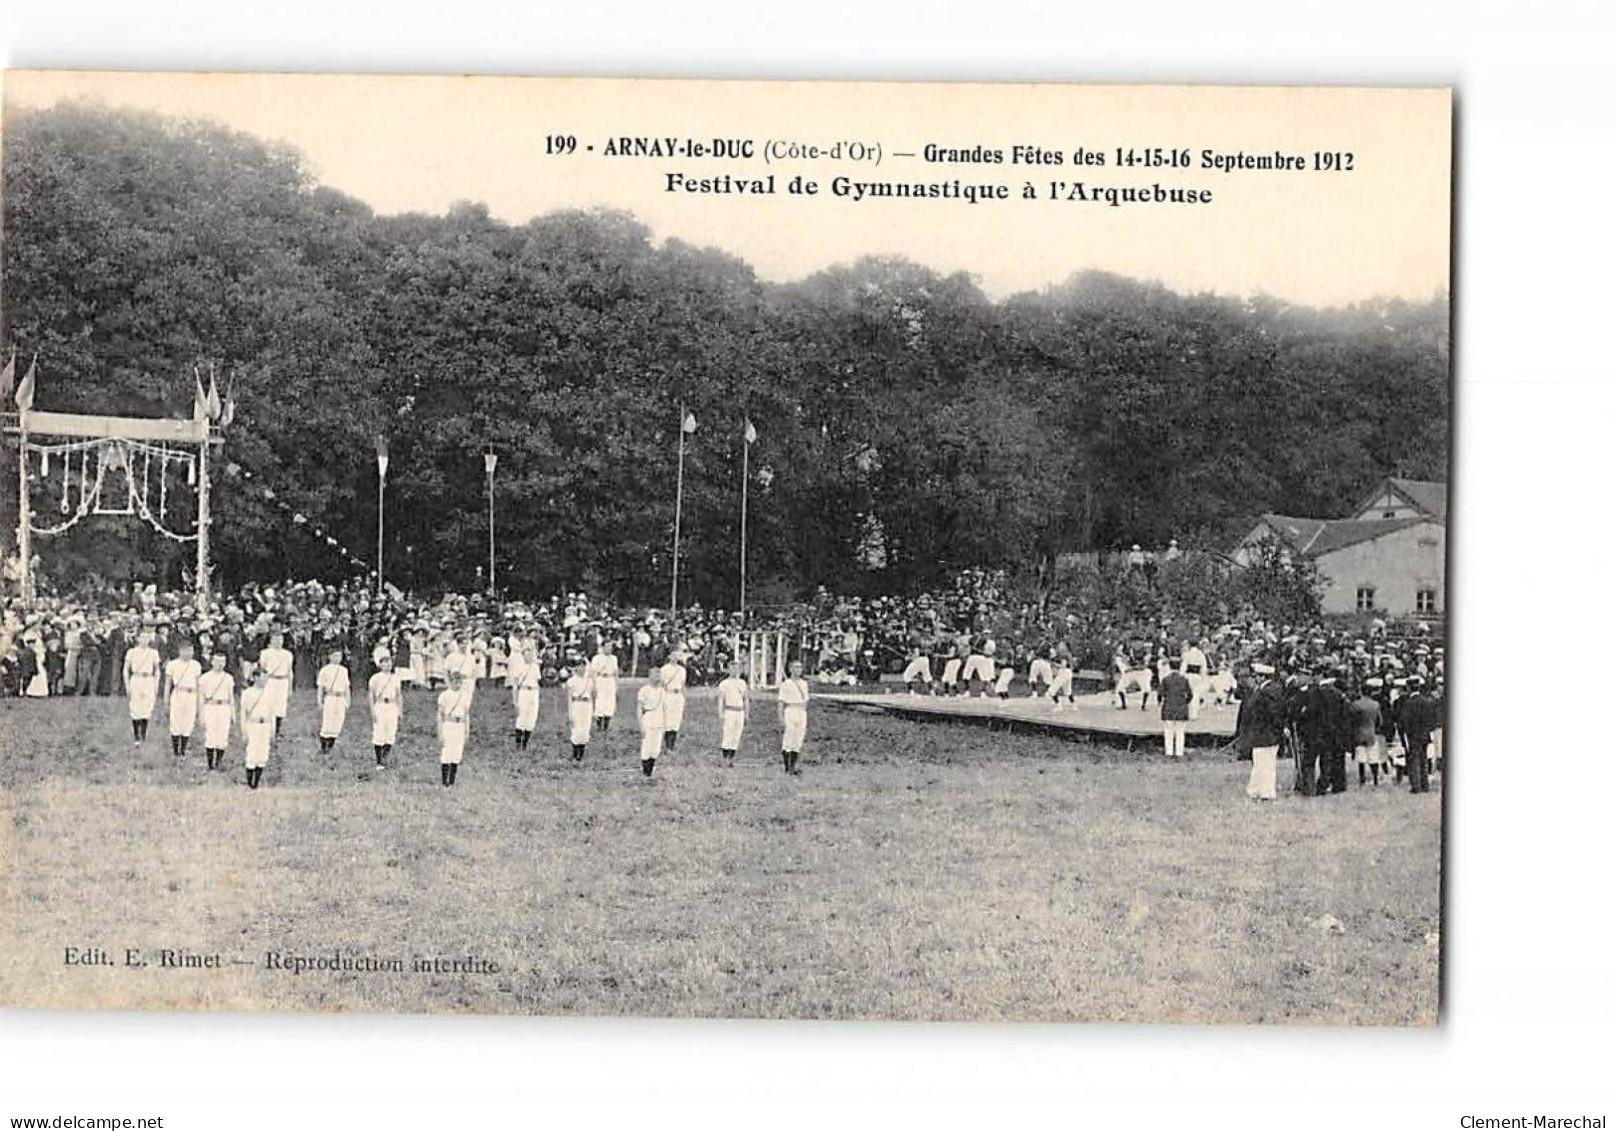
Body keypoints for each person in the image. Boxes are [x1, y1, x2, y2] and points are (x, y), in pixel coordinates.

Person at [1240, 661, 1285, 801]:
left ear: (1262, 677)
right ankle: (1258, 790)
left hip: (1264, 733)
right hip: (1268, 734)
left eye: (1257, 676)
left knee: (1263, 764)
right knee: (1265, 764)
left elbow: (1271, 714)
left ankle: (1264, 791)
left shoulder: (1265, 693)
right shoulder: (1274, 690)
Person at [1399, 676, 1441, 794]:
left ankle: (1416, 785)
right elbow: (1433, 720)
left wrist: (1404, 733)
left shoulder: (1408, 703)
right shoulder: (1427, 702)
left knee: (1414, 761)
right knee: (1423, 760)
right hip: (1425, 734)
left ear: (1408, 688)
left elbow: (1404, 721)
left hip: (1413, 735)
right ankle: (1425, 784)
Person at [239, 662, 276, 790]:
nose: (265, 680)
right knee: (252, 752)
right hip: (253, 724)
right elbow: (243, 713)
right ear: (255, 678)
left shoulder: (270, 693)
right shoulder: (248, 693)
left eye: (266, 677)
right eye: (262, 677)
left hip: (265, 724)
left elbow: (273, 713)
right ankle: (250, 782)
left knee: (263, 752)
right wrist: (244, 731)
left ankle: (257, 782)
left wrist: (273, 730)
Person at [164, 638, 202, 758]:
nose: (189, 653)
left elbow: (198, 684)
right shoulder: (172, 664)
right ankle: (176, 750)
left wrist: (199, 702)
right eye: (187, 650)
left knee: (188, 721)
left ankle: (183, 750)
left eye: (191, 651)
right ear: (180, 651)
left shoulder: (196, 665)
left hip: (191, 694)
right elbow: (168, 683)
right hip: (178, 693)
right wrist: (166, 701)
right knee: (176, 721)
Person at [436, 667, 474, 787]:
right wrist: (440, 731)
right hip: (448, 724)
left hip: (460, 725)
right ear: (450, 681)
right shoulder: (445, 695)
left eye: (459, 682)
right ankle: (444, 781)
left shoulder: (465, 696)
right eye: (455, 681)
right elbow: (440, 714)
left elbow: (466, 714)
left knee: (457, 752)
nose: (457, 684)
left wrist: (467, 730)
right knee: (447, 751)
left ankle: (452, 781)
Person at [123, 629, 162, 744]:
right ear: (138, 639)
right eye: (142, 637)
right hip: (136, 678)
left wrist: (156, 684)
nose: (145, 640)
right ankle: (136, 736)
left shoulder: (153, 653)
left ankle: (143, 734)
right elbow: (125, 669)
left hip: (148, 679)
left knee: (147, 706)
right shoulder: (132, 652)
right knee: (135, 706)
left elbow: (157, 670)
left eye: (147, 637)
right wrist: (127, 685)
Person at [198, 652, 235, 771]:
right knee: (210, 734)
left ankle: (218, 762)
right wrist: (201, 715)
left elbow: (231, 698)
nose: (220, 664)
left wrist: (233, 714)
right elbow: (201, 698)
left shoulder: (229, 678)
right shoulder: (205, 678)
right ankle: (210, 764)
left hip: (224, 707)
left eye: (222, 661)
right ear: (212, 662)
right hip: (210, 707)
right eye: (217, 661)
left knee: (222, 735)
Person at [368, 647, 403, 769]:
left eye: (389, 662)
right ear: (380, 664)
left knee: (391, 731)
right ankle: (379, 761)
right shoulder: (375, 678)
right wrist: (372, 710)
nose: (387, 665)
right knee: (379, 731)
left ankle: (385, 757)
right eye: (384, 662)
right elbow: (371, 695)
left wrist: (400, 710)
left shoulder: (395, 678)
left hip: (392, 706)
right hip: (380, 705)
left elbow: (399, 695)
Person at [258, 631, 295, 739]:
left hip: (283, 681)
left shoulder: (287, 654)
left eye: (280, 639)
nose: (278, 642)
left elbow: (289, 672)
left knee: (280, 706)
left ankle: (277, 731)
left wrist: (290, 688)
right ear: (271, 640)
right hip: (270, 680)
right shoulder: (265, 653)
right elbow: (263, 669)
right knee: (269, 704)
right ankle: (267, 730)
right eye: (275, 639)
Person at [778, 657, 810, 776]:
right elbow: (781, 701)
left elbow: (806, 700)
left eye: (800, 667)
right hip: (790, 710)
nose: (799, 670)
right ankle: (787, 766)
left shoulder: (804, 683)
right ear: (790, 669)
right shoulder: (786, 684)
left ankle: (794, 766)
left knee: (798, 738)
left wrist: (803, 711)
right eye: (796, 667)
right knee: (789, 738)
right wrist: (780, 717)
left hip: (801, 711)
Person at [315, 648, 350, 754]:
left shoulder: (344, 670)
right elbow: (320, 687)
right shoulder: (325, 670)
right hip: (330, 697)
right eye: (335, 656)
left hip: (341, 697)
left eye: (339, 656)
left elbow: (347, 686)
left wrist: (348, 700)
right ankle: (323, 746)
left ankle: (330, 746)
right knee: (328, 721)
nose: (337, 658)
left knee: (338, 721)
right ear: (329, 656)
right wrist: (319, 700)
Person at [1352, 678, 1386, 786]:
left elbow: (1353, 720)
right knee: (1373, 758)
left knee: (1361, 758)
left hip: (1359, 732)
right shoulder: (1375, 705)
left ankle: (1362, 780)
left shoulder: (1356, 704)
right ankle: (1375, 778)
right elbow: (1379, 721)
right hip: (1371, 733)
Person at [1158, 657, 1192, 759]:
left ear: (1169, 666)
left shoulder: (1165, 680)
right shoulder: (1184, 680)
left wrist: (1160, 702)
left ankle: (1168, 752)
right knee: (1180, 732)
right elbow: (1190, 695)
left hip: (1168, 708)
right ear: (1180, 666)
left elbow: (1160, 694)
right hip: (1181, 708)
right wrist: (1185, 702)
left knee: (1168, 731)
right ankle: (1179, 752)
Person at [716, 658, 749, 762]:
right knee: (728, 733)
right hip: (729, 710)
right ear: (728, 670)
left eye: (737, 668)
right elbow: (721, 699)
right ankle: (725, 756)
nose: (735, 671)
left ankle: (732, 757)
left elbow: (746, 699)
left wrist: (746, 714)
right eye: (732, 668)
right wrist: (720, 713)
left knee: (736, 734)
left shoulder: (742, 683)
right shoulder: (724, 683)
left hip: (740, 711)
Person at [636, 667, 666, 777]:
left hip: (659, 718)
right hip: (648, 717)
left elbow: (664, 708)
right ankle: (645, 771)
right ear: (650, 676)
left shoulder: (662, 691)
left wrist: (665, 724)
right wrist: (641, 725)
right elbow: (639, 708)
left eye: (659, 675)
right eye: (655, 674)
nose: (657, 677)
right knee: (647, 745)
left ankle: (651, 770)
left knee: (656, 747)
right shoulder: (644, 690)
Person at [511, 642, 541, 749]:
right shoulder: (518, 667)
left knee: (532, 716)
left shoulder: (535, 667)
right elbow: (515, 685)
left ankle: (525, 743)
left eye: (531, 652)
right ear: (523, 654)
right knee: (522, 716)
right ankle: (518, 743)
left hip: (534, 692)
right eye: (527, 652)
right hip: (524, 691)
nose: (529, 655)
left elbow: (537, 681)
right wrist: (515, 701)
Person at [564, 661, 594, 761]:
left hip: (587, 705)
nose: (582, 669)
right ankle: (575, 753)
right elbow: (569, 698)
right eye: (579, 666)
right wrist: (570, 713)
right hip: (576, 704)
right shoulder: (572, 681)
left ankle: (581, 754)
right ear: (576, 668)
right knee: (577, 728)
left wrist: (592, 711)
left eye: (583, 666)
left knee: (585, 729)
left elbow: (591, 696)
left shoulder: (589, 681)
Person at [660, 648, 688, 752]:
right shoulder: (664, 669)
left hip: (678, 695)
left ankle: (672, 745)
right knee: (668, 720)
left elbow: (683, 685)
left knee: (676, 720)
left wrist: (683, 698)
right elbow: (662, 685)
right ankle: (667, 745)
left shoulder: (682, 670)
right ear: (669, 656)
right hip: (668, 694)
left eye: (677, 655)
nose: (675, 657)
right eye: (673, 655)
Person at [588, 641, 620, 733]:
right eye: (607, 646)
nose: (609, 649)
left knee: (610, 702)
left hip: (610, 680)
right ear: (602, 647)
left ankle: (606, 726)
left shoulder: (614, 658)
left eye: (610, 647)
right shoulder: (596, 658)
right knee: (600, 701)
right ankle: (599, 726)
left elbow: (616, 672)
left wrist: (616, 684)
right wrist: (594, 684)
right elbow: (593, 672)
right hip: (600, 679)